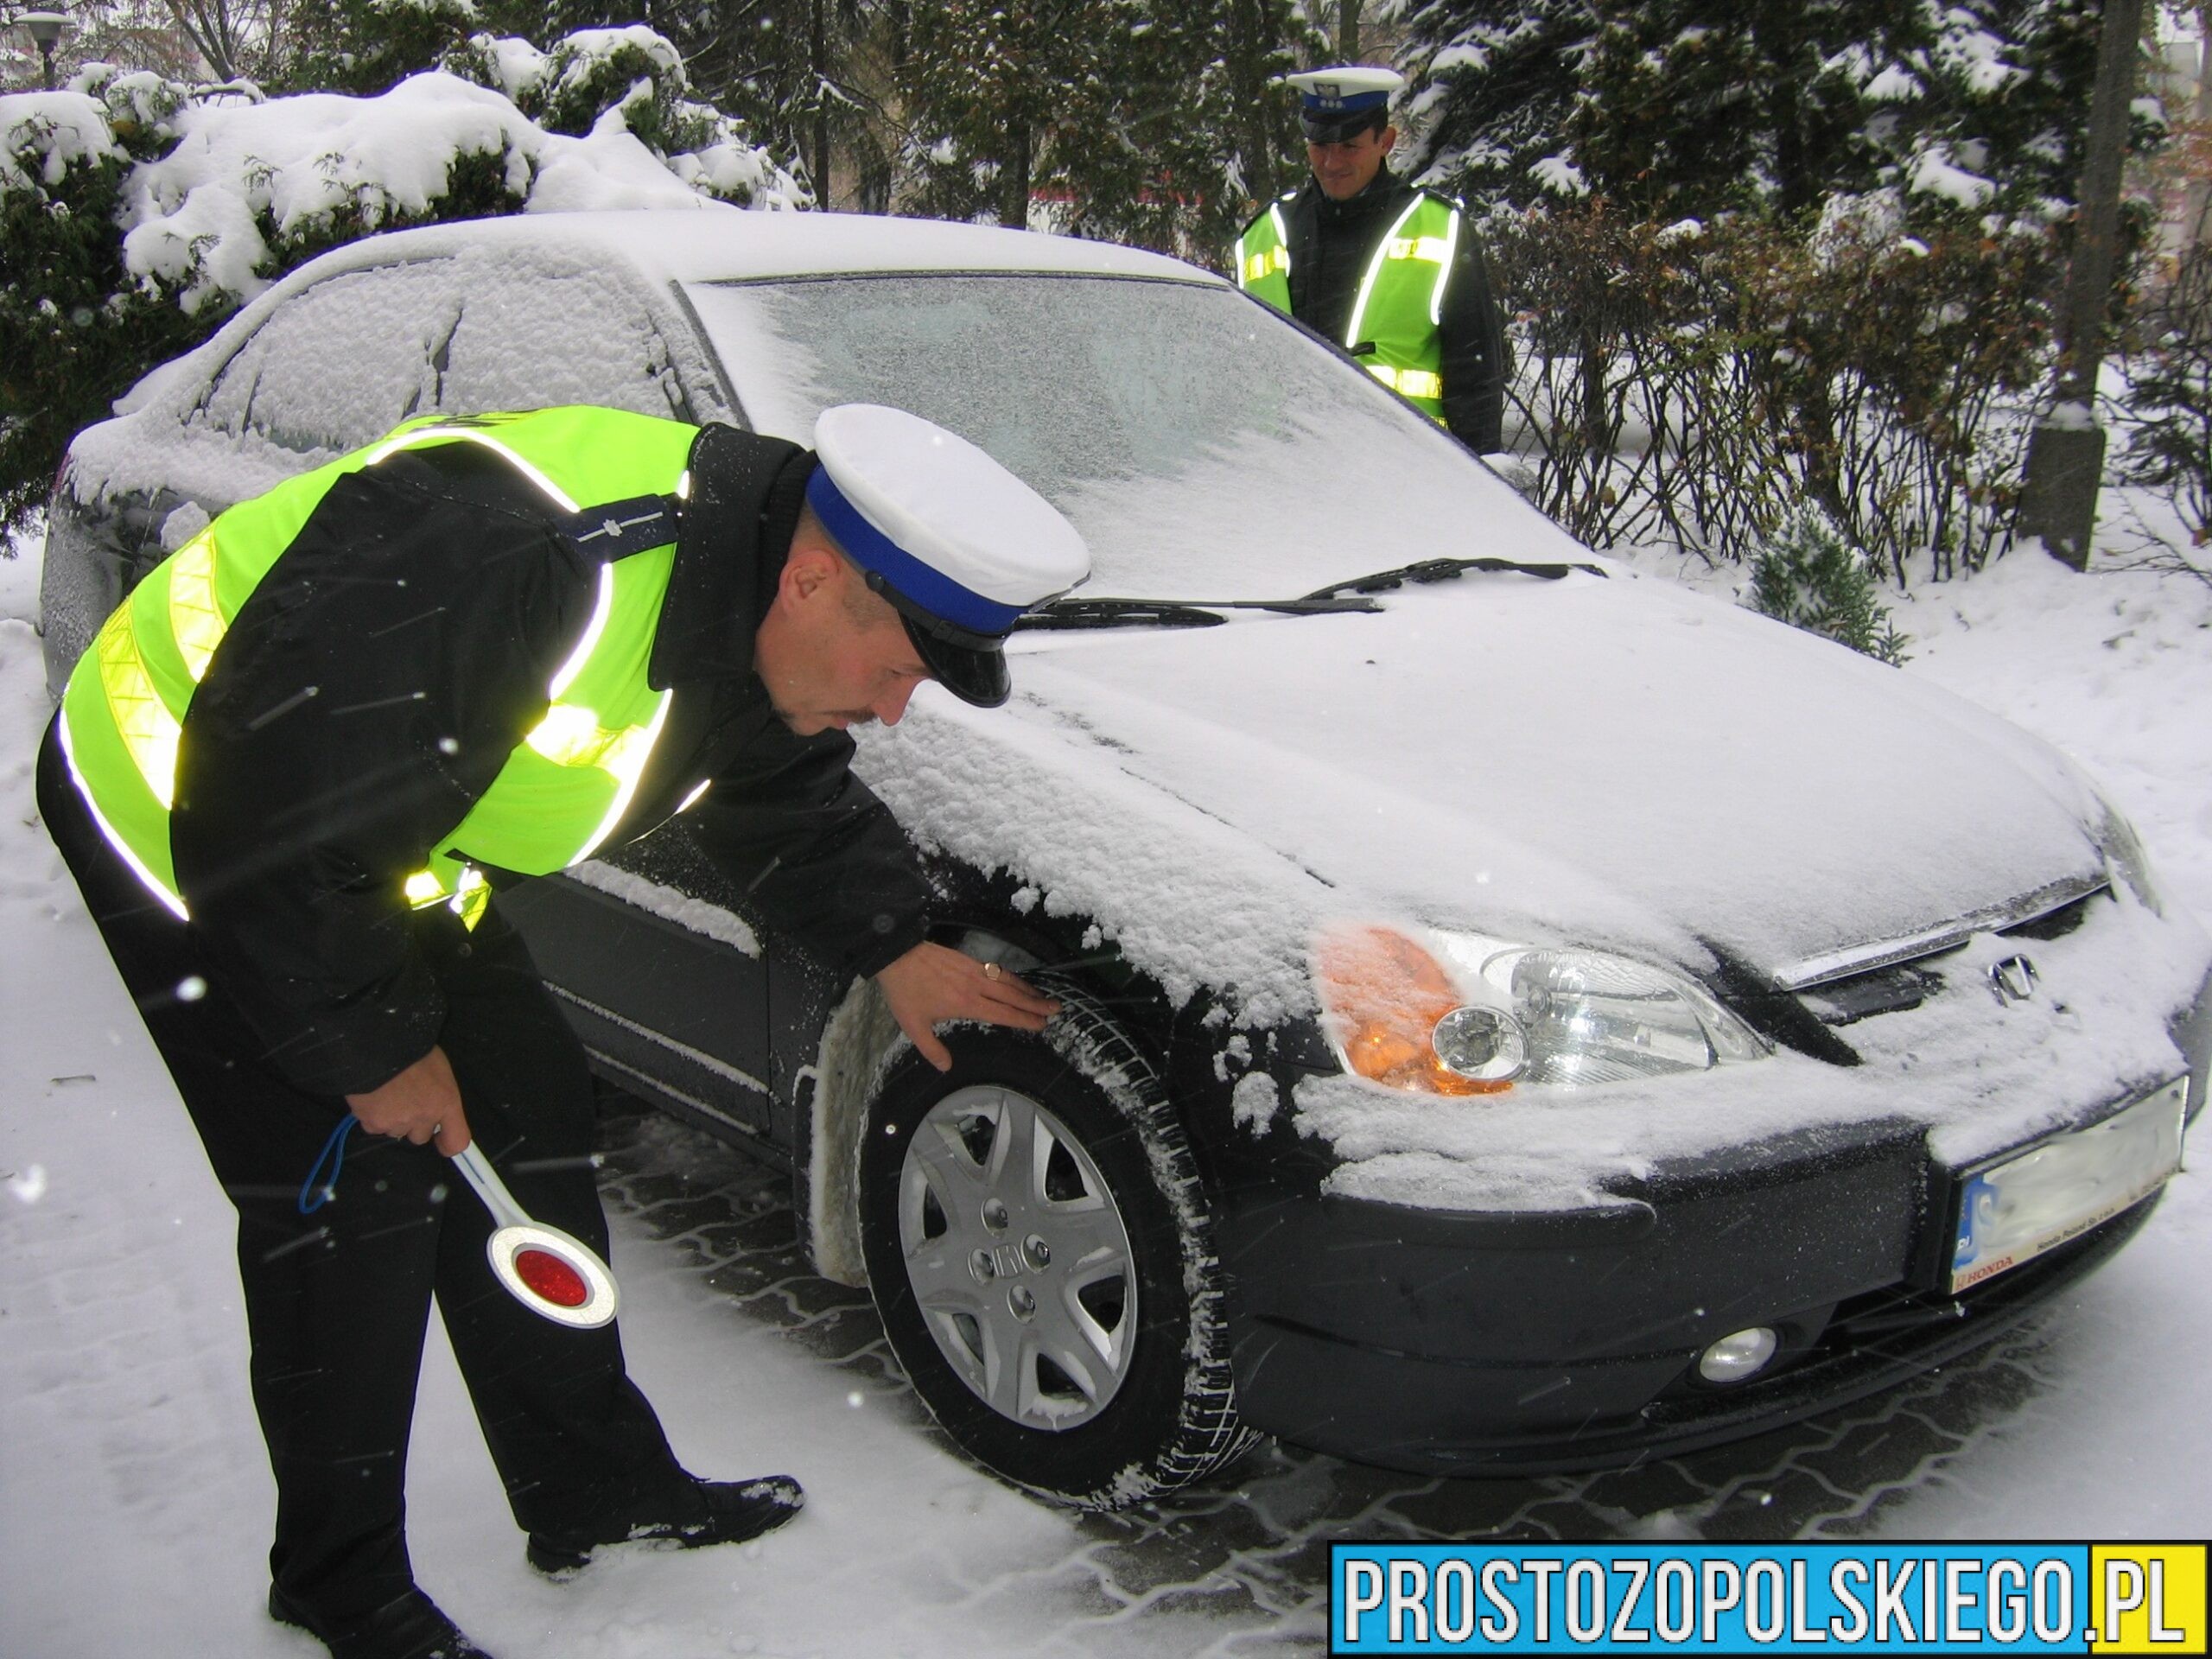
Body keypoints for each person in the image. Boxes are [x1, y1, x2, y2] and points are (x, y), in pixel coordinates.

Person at [35, 401, 1090, 1659]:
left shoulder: (745, 588)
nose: (899, 710)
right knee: (350, 1199)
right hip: (186, 814)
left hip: (376, 849)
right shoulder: (521, 555)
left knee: (525, 1108)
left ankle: (592, 1489)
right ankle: (338, 1578)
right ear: (817, 582)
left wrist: (892, 944)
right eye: (900, 671)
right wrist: (373, 1052)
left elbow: (764, 779)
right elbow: (262, 811)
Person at [1233, 65, 1509, 454]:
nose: (1331, 162)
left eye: (1349, 146)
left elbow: (1475, 375)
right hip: (1285, 472)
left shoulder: (1438, 226)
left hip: (1403, 470)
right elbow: (1237, 371)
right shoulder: (1264, 231)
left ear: (1387, 141)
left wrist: (1480, 481)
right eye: (1320, 145)